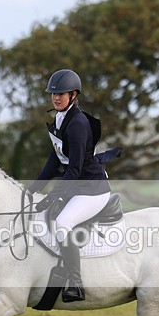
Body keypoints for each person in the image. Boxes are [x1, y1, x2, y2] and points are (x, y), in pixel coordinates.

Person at [28, 69, 112, 303]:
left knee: (63, 223)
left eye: (61, 94)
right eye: (53, 94)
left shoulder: (77, 123)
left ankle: (75, 282)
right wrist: (33, 189)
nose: (56, 98)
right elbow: (54, 160)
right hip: (77, 187)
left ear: (73, 95)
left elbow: (74, 169)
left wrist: (51, 197)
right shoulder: (60, 118)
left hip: (92, 190)